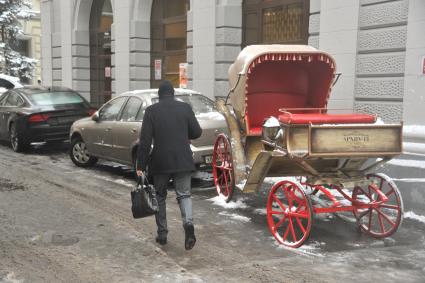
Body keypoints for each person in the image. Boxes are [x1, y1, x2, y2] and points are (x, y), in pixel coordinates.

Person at [136, 80, 202, 250]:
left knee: (159, 196)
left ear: (159, 96)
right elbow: (197, 132)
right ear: (173, 94)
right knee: (184, 195)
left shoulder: (151, 111)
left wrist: (140, 166)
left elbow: (144, 141)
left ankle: (162, 234)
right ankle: (188, 225)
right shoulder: (185, 108)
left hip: (160, 161)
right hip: (183, 159)